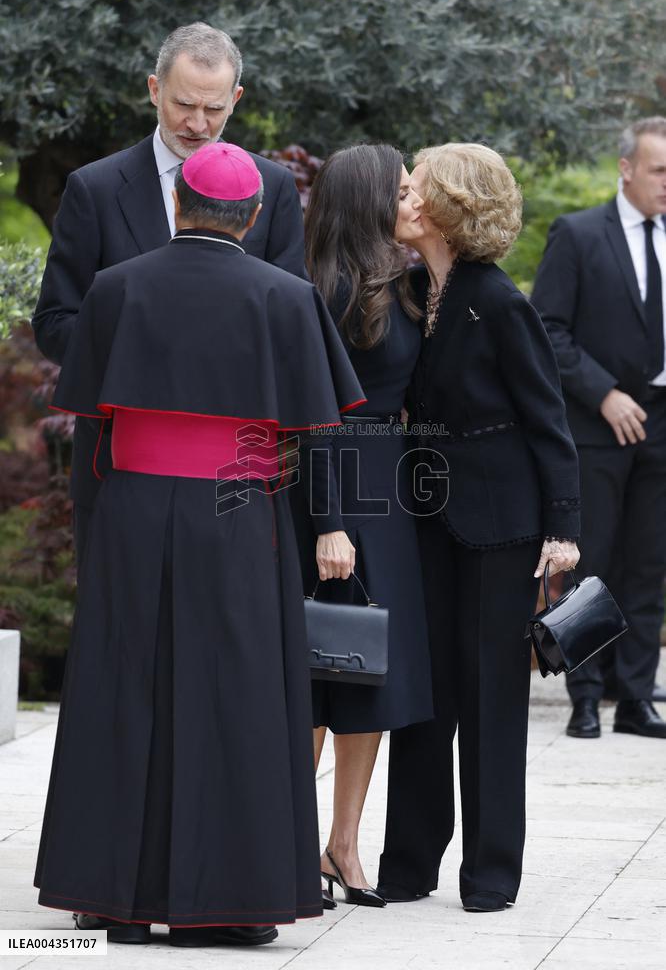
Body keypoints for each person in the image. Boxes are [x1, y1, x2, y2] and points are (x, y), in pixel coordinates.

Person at [34, 142, 365, 947]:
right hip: (238, 511)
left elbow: (86, 401)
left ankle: (111, 895)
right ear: (252, 218)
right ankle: (235, 902)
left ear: (178, 205)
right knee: (238, 693)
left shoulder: (113, 289)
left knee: (124, 684)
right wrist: (329, 520)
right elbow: (312, 424)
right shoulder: (286, 296)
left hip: (133, 510)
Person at [376, 143, 581, 913]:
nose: (401, 195)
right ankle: (408, 865)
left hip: (501, 523)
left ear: (444, 205)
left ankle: (492, 871)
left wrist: (562, 528)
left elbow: (547, 417)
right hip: (422, 518)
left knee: (492, 699)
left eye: (412, 186)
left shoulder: (497, 300)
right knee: (424, 696)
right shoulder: (406, 289)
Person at [32, 21, 305, 564]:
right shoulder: (95, 188)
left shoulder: (271, 188)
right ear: (154, 89)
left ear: (236, 99)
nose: (197, 124)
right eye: (183, 104)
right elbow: (55, 322)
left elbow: (289, 326)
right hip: (119, 465)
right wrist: (147, 358)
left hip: (236, 475)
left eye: (214, 109)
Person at [293, 145, 434, 909]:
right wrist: (329, 523)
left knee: (371, 674)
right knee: (321, 672)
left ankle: (344, 845)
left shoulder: (408, 281)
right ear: (369, 198)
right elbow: (314, 417)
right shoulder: (325, 290)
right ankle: (294, 845)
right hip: (339, 488)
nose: (416, 199)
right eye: (405, 189)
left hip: (394, 486)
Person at [531, 117, 666, 739]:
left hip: (663, 425)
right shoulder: (580, 235)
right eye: (660, 170)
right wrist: (604, 392)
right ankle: (584, 697)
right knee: (594, 565)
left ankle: (636, 697)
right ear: (627, 168)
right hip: (597, 425)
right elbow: (548, 330)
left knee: (648, 563)